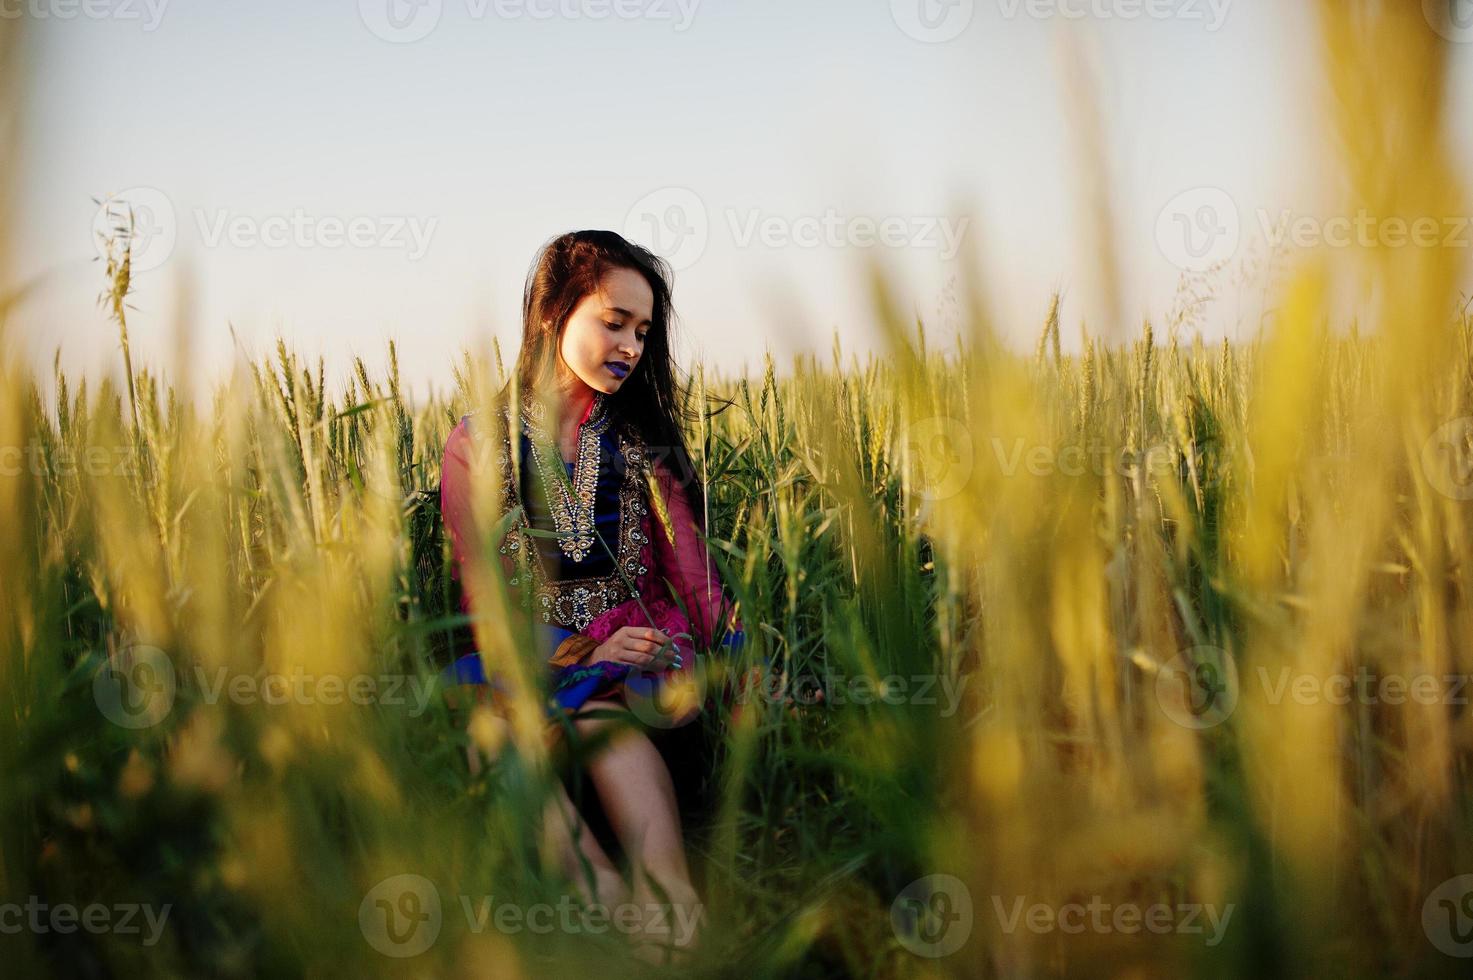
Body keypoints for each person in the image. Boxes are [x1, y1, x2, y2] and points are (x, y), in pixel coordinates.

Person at [437, 229, 744, 961]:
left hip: (635, 661)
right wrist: (574, 652)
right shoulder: (476, 444)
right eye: (613, 322)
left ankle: (666, 897)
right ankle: (594, 896)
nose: (632, 346)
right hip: (525, 663)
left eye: (643, 331)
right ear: (553, 314)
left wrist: (740, 663)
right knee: (496, 736)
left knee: (599, 712)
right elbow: (480, 597)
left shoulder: (642, 444)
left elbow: (694, 576)